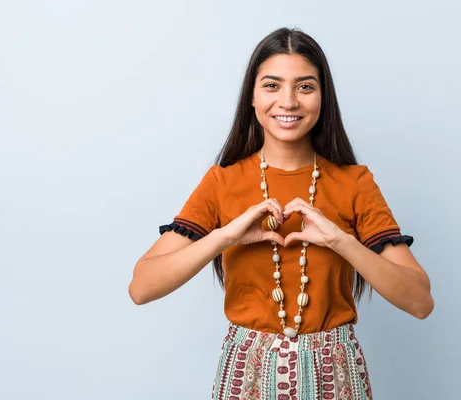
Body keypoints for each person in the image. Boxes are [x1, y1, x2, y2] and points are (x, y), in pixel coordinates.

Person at [129, 27, 434, 400]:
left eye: (305, 87)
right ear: (252, 99)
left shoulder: (354, 182)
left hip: (335, 379)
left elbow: (420, 302)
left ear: (323, 98)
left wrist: (341, 241)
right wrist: (224, 237)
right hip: (246, 379)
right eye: (272, 86)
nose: (288, 102)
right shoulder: (223, 181)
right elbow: (142, 288)